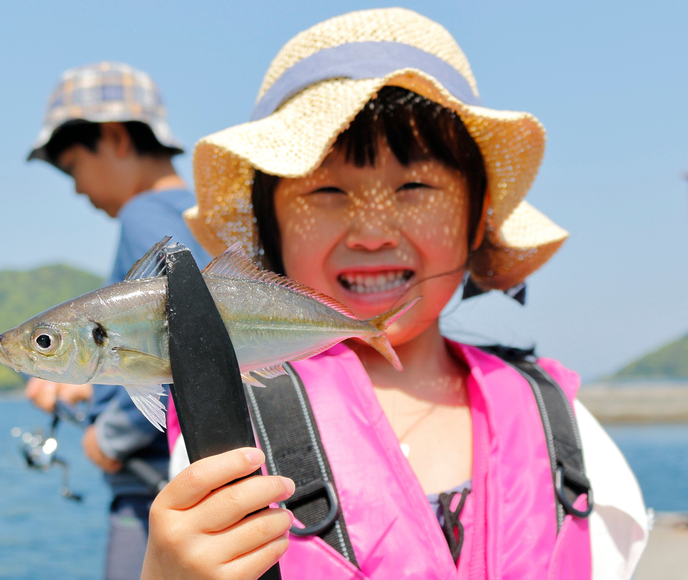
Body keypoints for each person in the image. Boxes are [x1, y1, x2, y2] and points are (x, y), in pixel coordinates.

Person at [142, 9, 649, 580]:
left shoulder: (561, 420)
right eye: (327, 190)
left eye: (415, 187)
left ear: (477, 218)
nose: (372, 234)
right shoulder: (232, 422)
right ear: (271, 229)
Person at [23, 61, 211, 580]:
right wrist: (89, 386)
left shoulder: (142, 219)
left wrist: (110, 438)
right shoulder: (205, 212)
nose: (76, 189)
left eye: (71, 165)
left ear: (115, 139)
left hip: (152, 484)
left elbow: (181, 347)